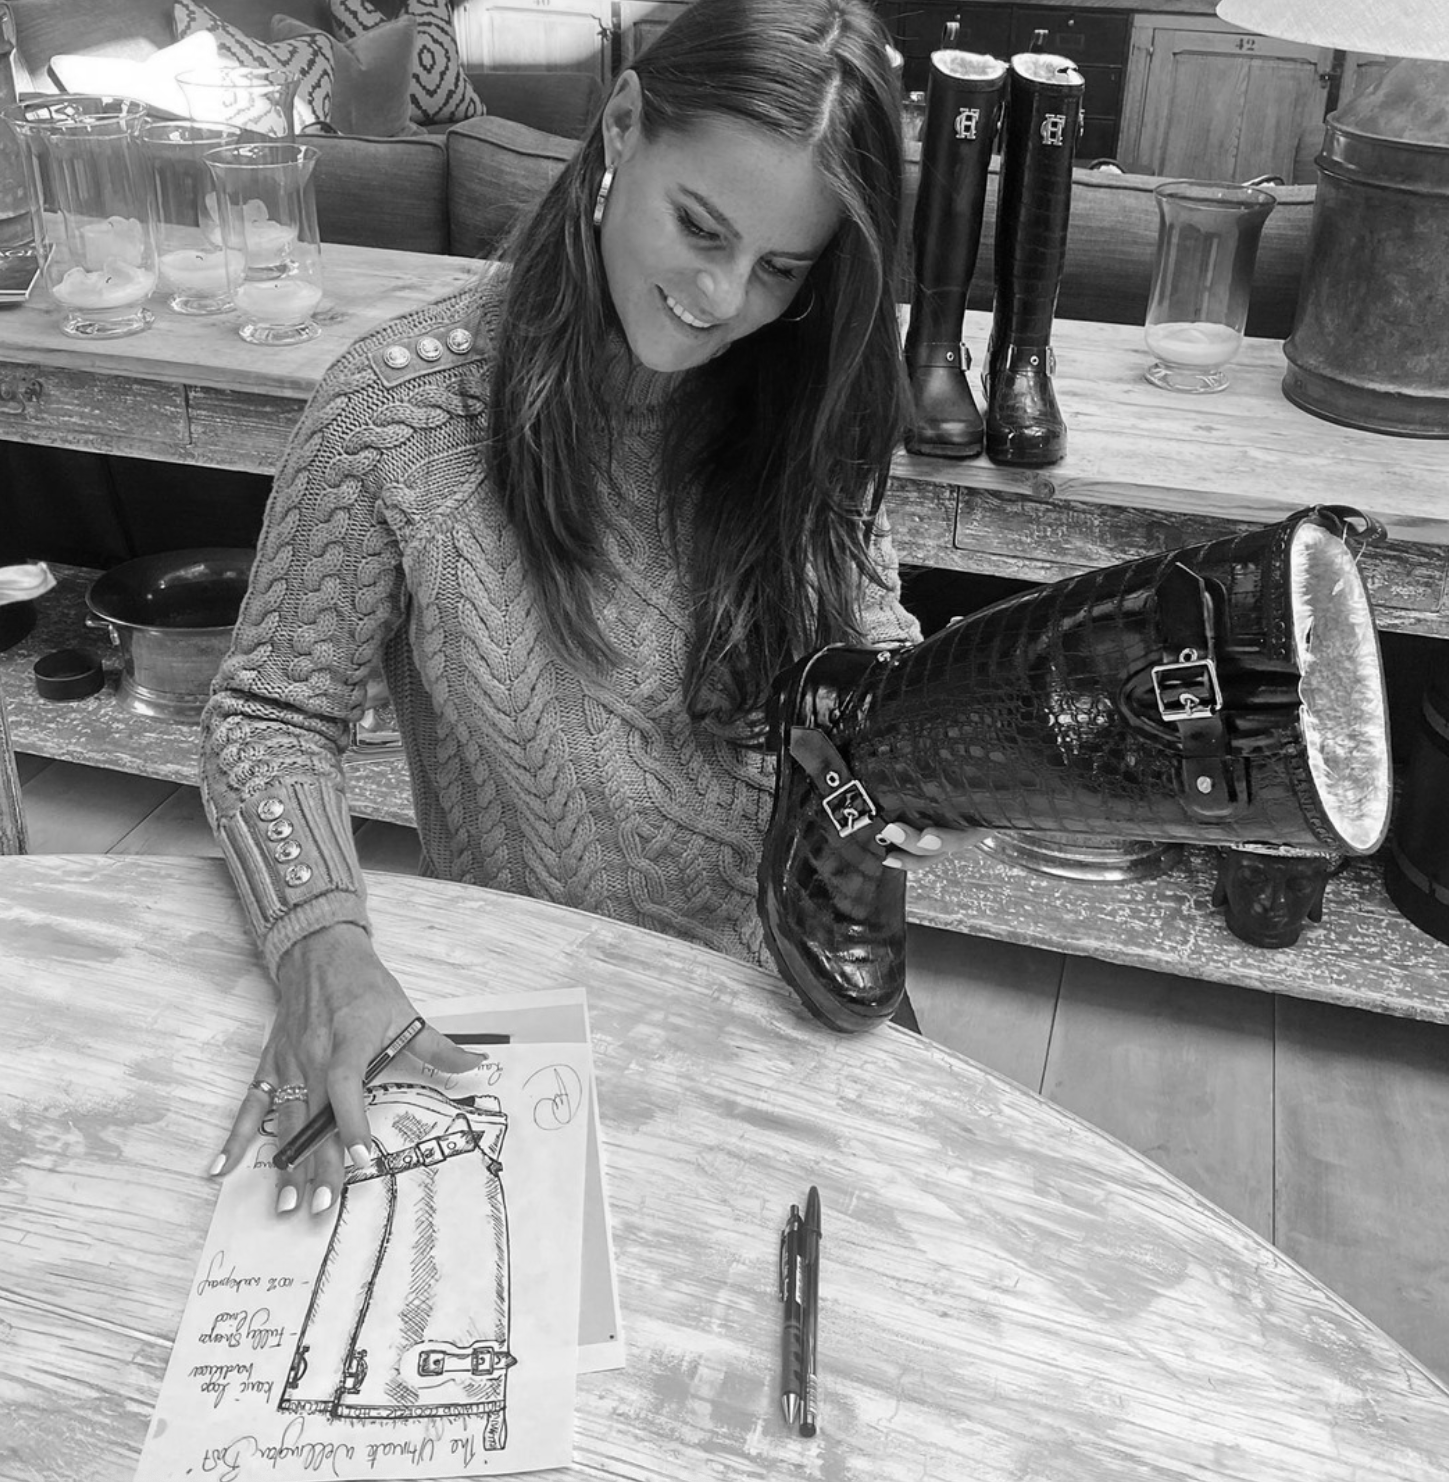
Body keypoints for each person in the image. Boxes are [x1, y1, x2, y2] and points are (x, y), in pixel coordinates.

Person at [202, 0, 976, 1214]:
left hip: (793, 1000)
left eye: (781, 268)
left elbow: (864, 648)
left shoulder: (803, 409)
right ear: (621, 125)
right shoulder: (396, 418)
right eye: (699, 226)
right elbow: (266, 713)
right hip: (527, 1013)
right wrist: (319, 942)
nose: (722, 300)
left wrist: (909, 748)